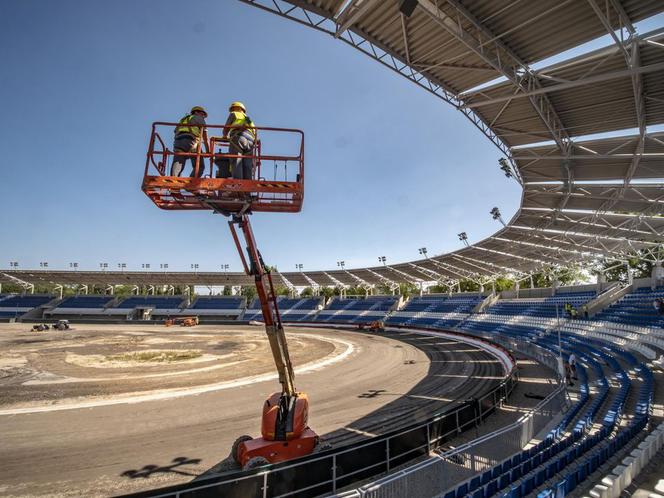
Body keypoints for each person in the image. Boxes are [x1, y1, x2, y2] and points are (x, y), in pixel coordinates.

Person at [171, 106, 209, 177]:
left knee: (178, 161)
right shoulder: (198, 118)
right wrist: (208, 151)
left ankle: (173, 179)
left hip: (178, 141)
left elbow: (175, 130)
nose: (203, 116)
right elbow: (205, 137)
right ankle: (192, 182)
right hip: (191, 141)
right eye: (202, 114)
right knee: (200, 166)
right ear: (196, 112)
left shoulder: (183, 120)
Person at [223, 101, 257, 180]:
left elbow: (226, 127)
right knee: (247, 164)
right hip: (251, 140)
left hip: (238, 137)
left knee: (236, 160)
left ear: (234, 108)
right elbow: (254, 131)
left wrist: (224, 136)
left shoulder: (234, 114)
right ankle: (247, 188)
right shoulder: (248, 119)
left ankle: (238, 185)